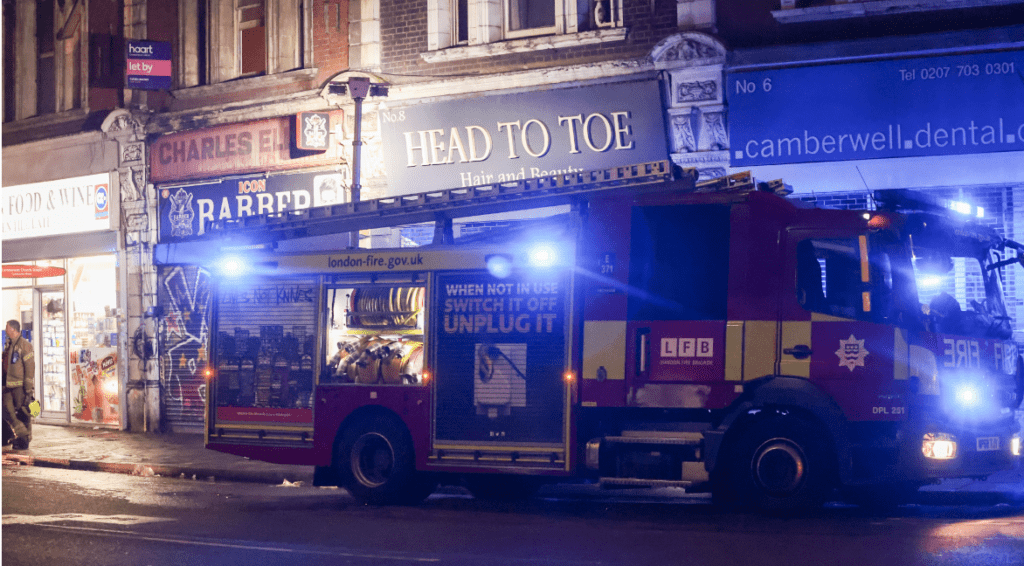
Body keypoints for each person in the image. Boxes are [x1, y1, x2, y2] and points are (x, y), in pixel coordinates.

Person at [3, 320, 35, 450]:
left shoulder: (25, 346)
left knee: (23, 413)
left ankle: (23, 440)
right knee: (8, 412)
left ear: (13, 329)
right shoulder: (10, 345)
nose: (5, 330)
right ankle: (21, 435)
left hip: (20, 386)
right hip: (8, 385)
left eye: (7, 328)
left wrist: (28, 389)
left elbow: (30, 367)